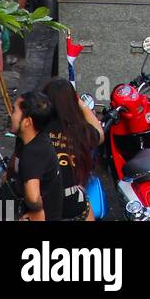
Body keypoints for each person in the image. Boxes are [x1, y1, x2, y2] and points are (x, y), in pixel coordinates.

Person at [42, 78, 103, 221]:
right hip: (71, 201)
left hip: (41, 201)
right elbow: (100, 135)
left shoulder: (35, 129)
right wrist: (82, 105)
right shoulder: (81, 131)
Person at [8, 91, 63, 221]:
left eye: (14, 111)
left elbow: (33, 197)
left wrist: (37, 210)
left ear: (27, 122)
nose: (10, 115)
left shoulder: (32, 153)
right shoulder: (32, 139)